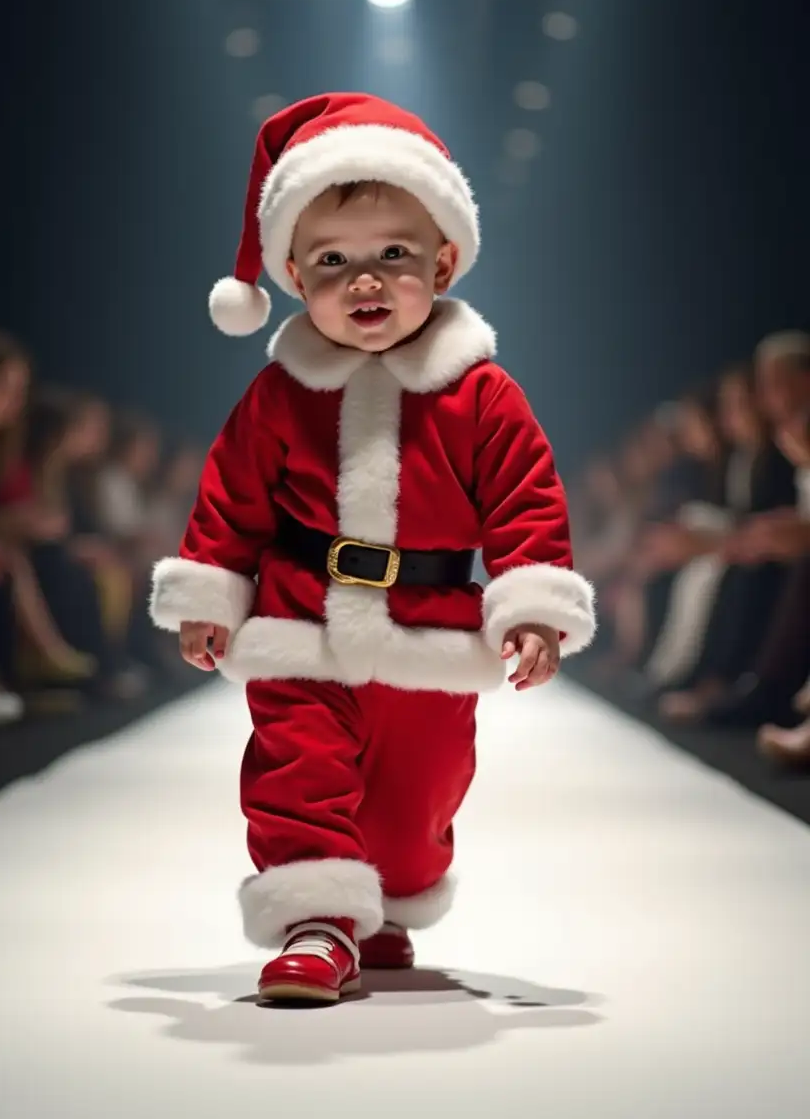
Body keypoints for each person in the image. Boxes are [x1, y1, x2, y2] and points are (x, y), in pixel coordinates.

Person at [149, 93, 596, 1005]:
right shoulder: (280, 396)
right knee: (297, 773)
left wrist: (533, 608)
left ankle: (383, 899)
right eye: (332, 262)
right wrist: (210, 595)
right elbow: (231, 499)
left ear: (441, 261)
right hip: (298, 620)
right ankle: (316, 924)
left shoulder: (483, 397)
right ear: (293, 279)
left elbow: (524, 501)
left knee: (414, 805)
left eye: (393, 255)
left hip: (429, 631)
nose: (365, 280)